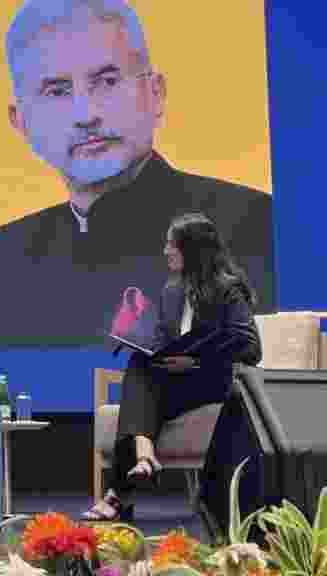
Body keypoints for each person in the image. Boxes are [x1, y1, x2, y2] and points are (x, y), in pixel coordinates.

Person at [0, 0, 274, 345]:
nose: (86, 115)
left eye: (108, 82)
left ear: (156, 93)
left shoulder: (248, 222)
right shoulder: (5, 257)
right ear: (20, 121)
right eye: (57, 90)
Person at [84, 211, 263, 521]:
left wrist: (194, 360)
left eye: (171, 245)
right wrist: (140, 342)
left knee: (140, 382)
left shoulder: (228, 289)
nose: (165, 252)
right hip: (172, 381)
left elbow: (250, 346)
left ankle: (120, 491)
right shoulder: (172, 290)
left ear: (192, 249)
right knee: (140, 363)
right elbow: (165, 338)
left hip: (209, 381)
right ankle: (143, 456)